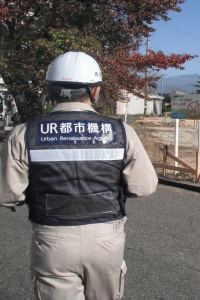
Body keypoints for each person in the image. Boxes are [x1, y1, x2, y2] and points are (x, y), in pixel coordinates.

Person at [0, 51, 158, 299]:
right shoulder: (121, 131)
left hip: (52, 237)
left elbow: (9, 194)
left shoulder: (23, 134)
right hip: (106, 236)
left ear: (50, 90)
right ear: (95, 91)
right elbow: (144, 186)